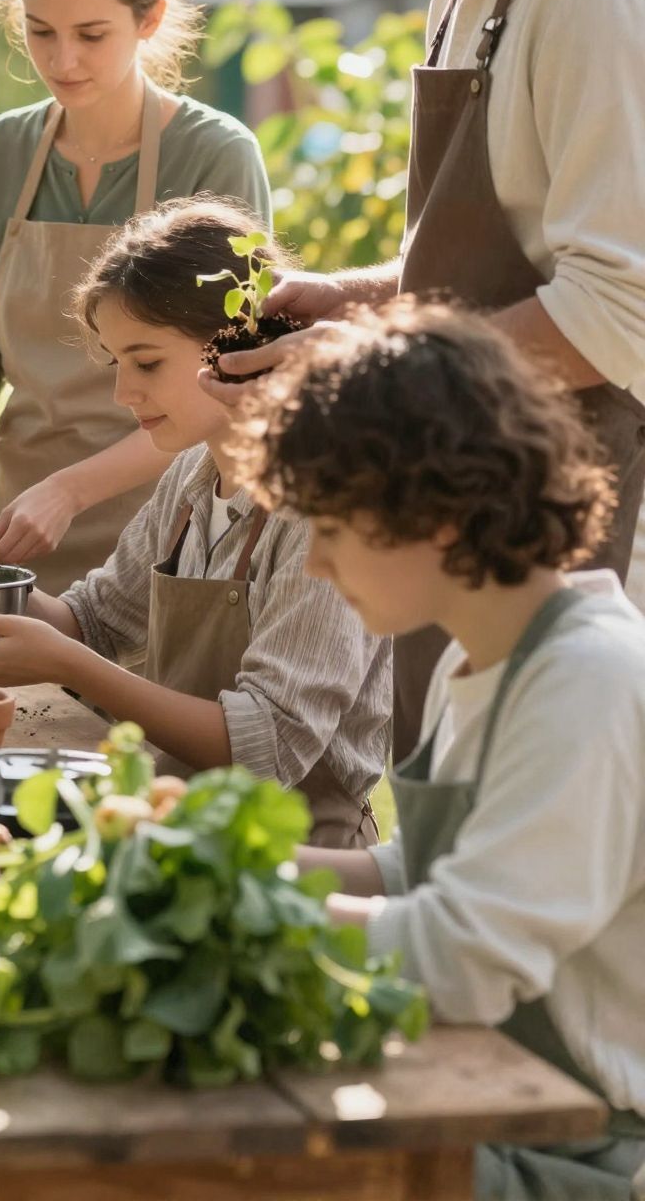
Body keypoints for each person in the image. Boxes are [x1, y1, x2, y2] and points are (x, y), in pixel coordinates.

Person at [228, 0, 645, 756]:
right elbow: (494, 246)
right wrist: (343, 299)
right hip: (472, 526)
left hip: (588, 542)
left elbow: (621, 308)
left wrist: (372, 369)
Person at [234, 302, 645, 1201]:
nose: (315, 567)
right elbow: (423, 869)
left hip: (572, 1148)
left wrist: (243, 908)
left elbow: (462, 957)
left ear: (441, 514)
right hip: (480, 1085)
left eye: (332, 531)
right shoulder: (489, 652)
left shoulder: (588, 678)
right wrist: (228, 856)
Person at [0, 199, 388, 847]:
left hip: (298, 868)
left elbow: (268, 745)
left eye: (147, 363)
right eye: (118, 364)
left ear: (241, 342)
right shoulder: (193, 478)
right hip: (177, 839)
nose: (124, 395)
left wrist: (70, 665)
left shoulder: (322, 503)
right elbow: (96, 619)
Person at [0, 0, 270, 591]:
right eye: (40, 31)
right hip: (16, 525)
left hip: (164, 525)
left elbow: (235, 377)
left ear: (151, 19)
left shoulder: (215, 155)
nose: (62, 59)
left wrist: (75, 489)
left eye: (91, 34)